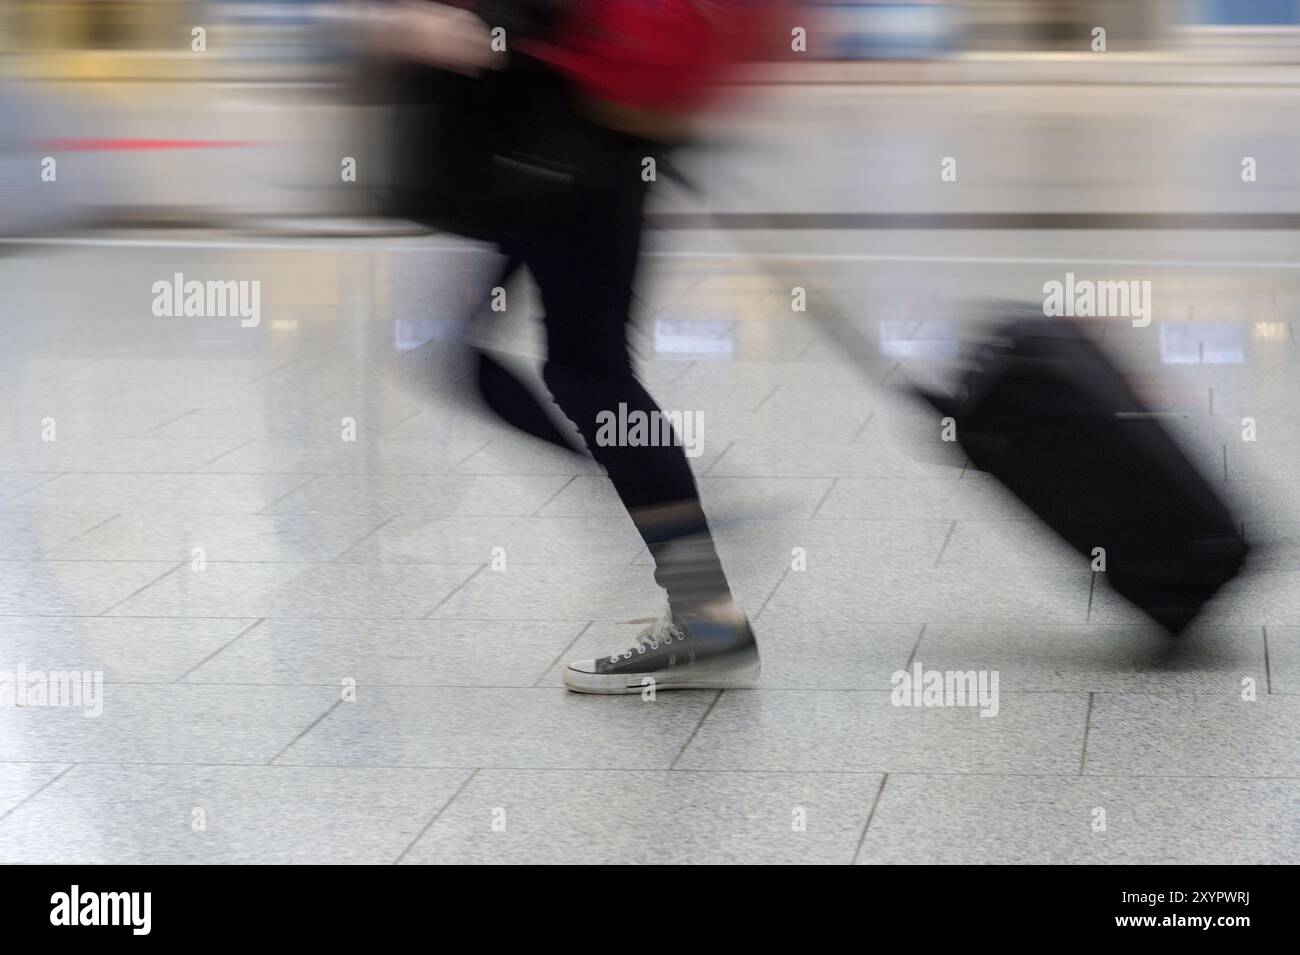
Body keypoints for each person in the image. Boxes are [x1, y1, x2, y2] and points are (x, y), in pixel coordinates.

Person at [371, 0, 766, 692]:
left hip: (559, 141)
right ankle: (661, 519)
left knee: (588, 373)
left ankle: (703, 608)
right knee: (516, 358)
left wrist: (475, 24)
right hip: (572, 134)